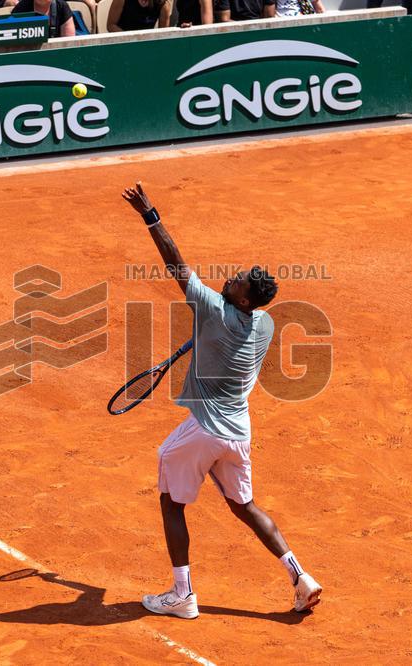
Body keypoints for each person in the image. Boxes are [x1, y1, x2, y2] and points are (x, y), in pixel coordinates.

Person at [120, 181, 322, 619]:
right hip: (238, 432)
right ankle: (300, 577)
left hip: (205, 429)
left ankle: (182, 596)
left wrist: (150, 215)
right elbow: (227, 329)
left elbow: (176, 263)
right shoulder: (263, 323)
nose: (229, 278)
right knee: (244, 506)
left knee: (171, 501)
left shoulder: (212, 309)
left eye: (238, 282)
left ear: (244, 298)